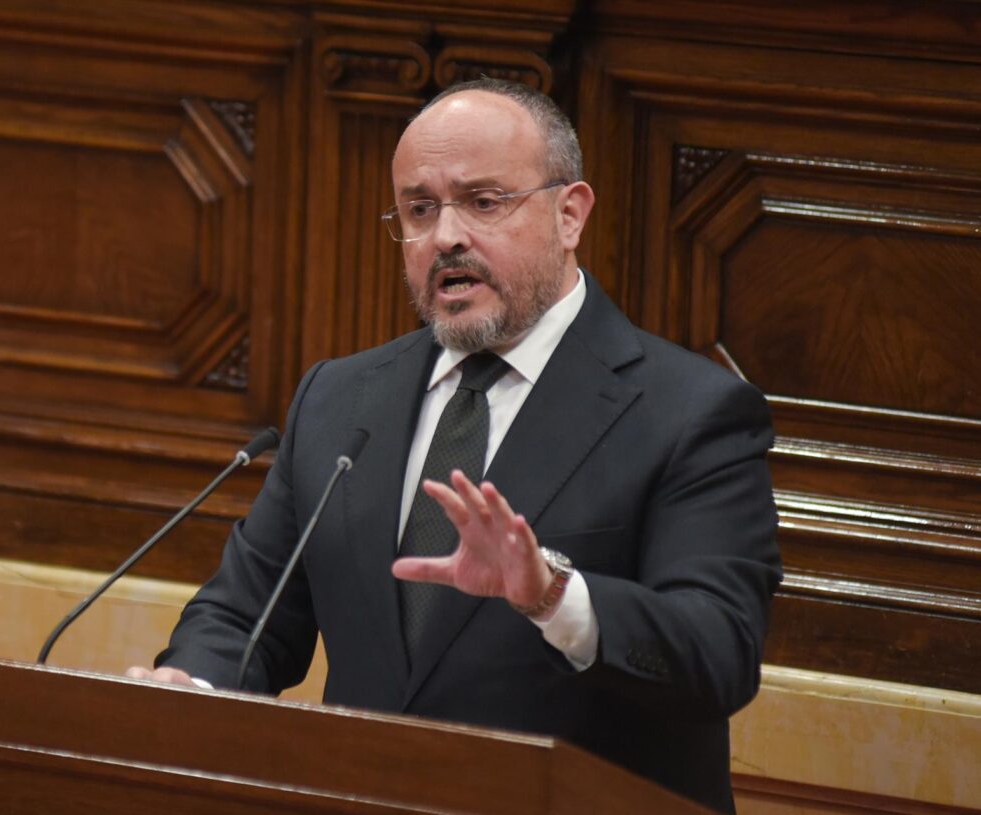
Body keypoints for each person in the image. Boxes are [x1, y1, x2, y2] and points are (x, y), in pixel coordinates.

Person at [128, 78, 781, 814]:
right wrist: (193, 686)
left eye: (483, 202)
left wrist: (552, 593)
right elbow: (246, 615)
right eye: (419, 209)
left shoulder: (690, 412)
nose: (446, 237)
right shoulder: (340, 400)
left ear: (569, 214)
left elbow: (718, 653)